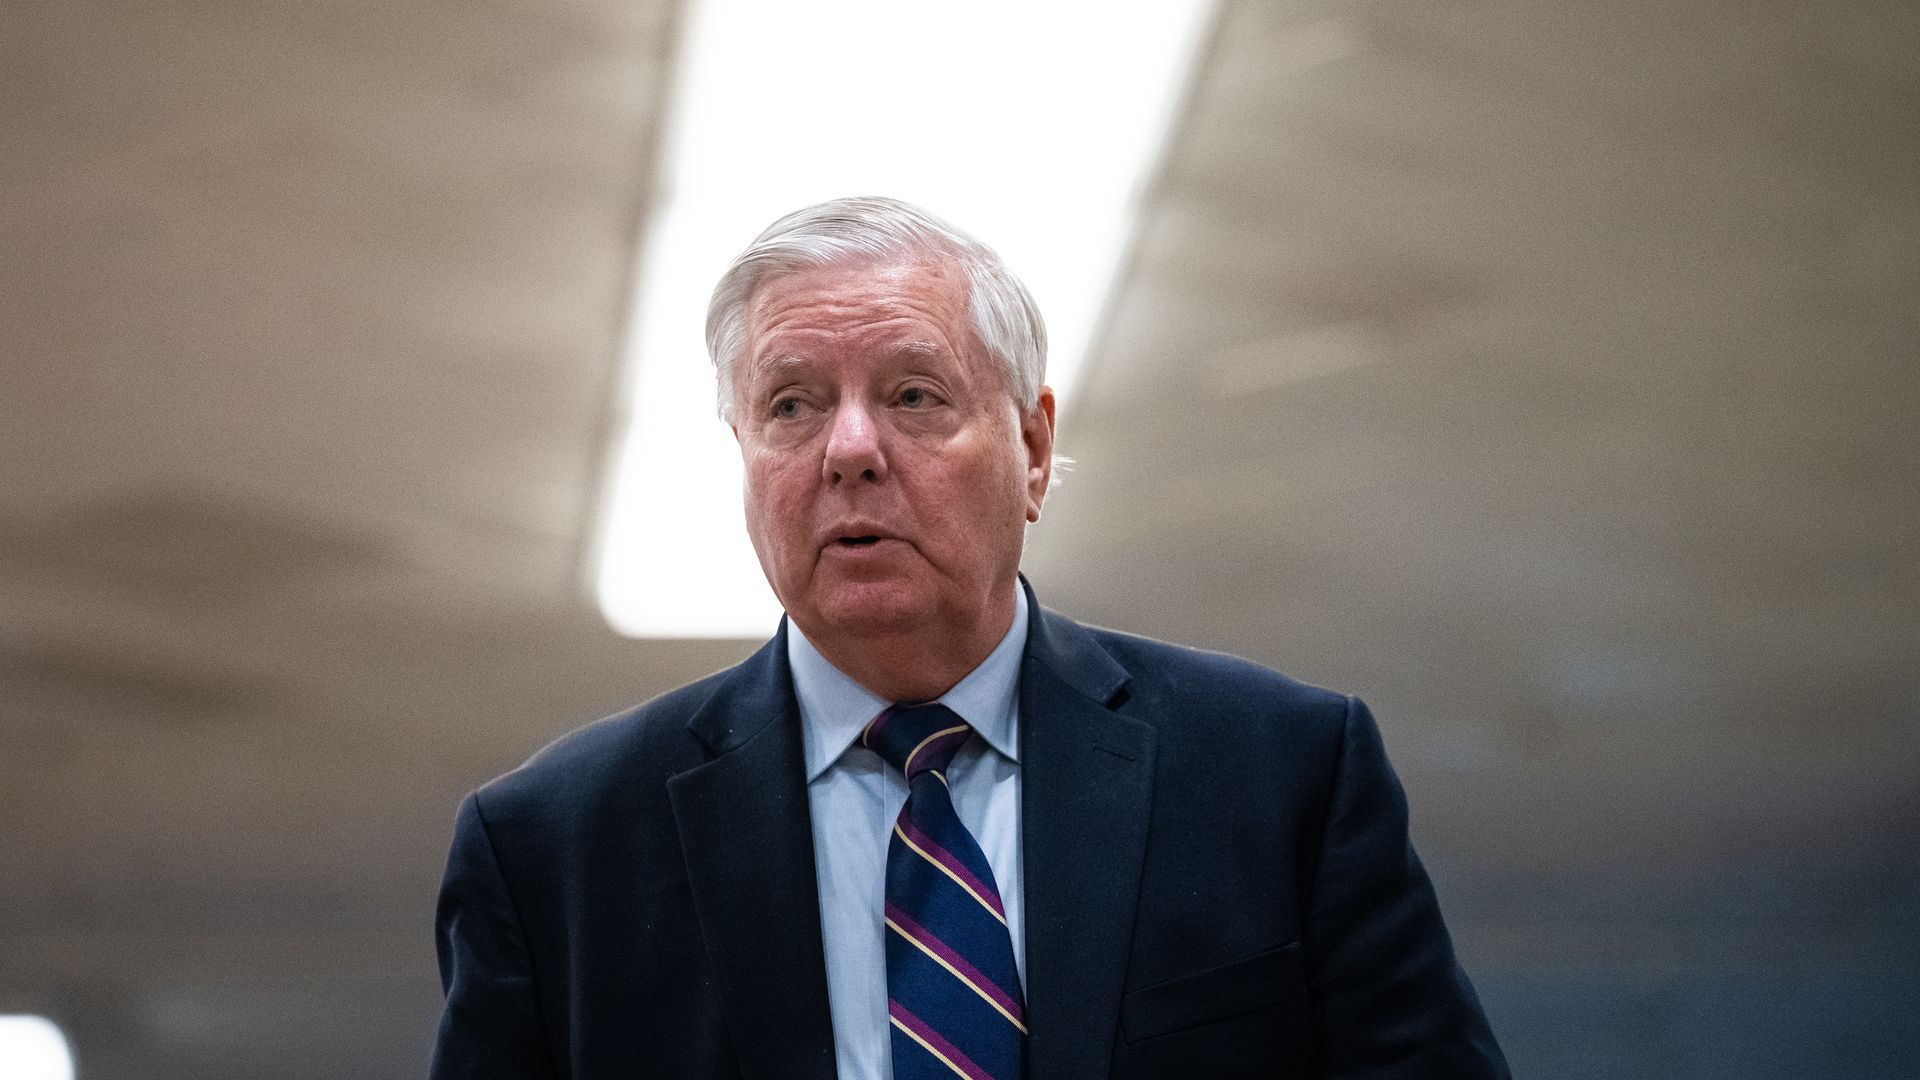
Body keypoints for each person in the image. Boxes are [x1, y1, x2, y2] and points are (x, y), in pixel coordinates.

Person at [429, 196, 1509, 1080]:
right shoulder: (554, 852)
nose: (850, 450)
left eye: (912, 394)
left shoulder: (1280, 776)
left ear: (1033, 449)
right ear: (744, 458)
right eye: (793, 407)